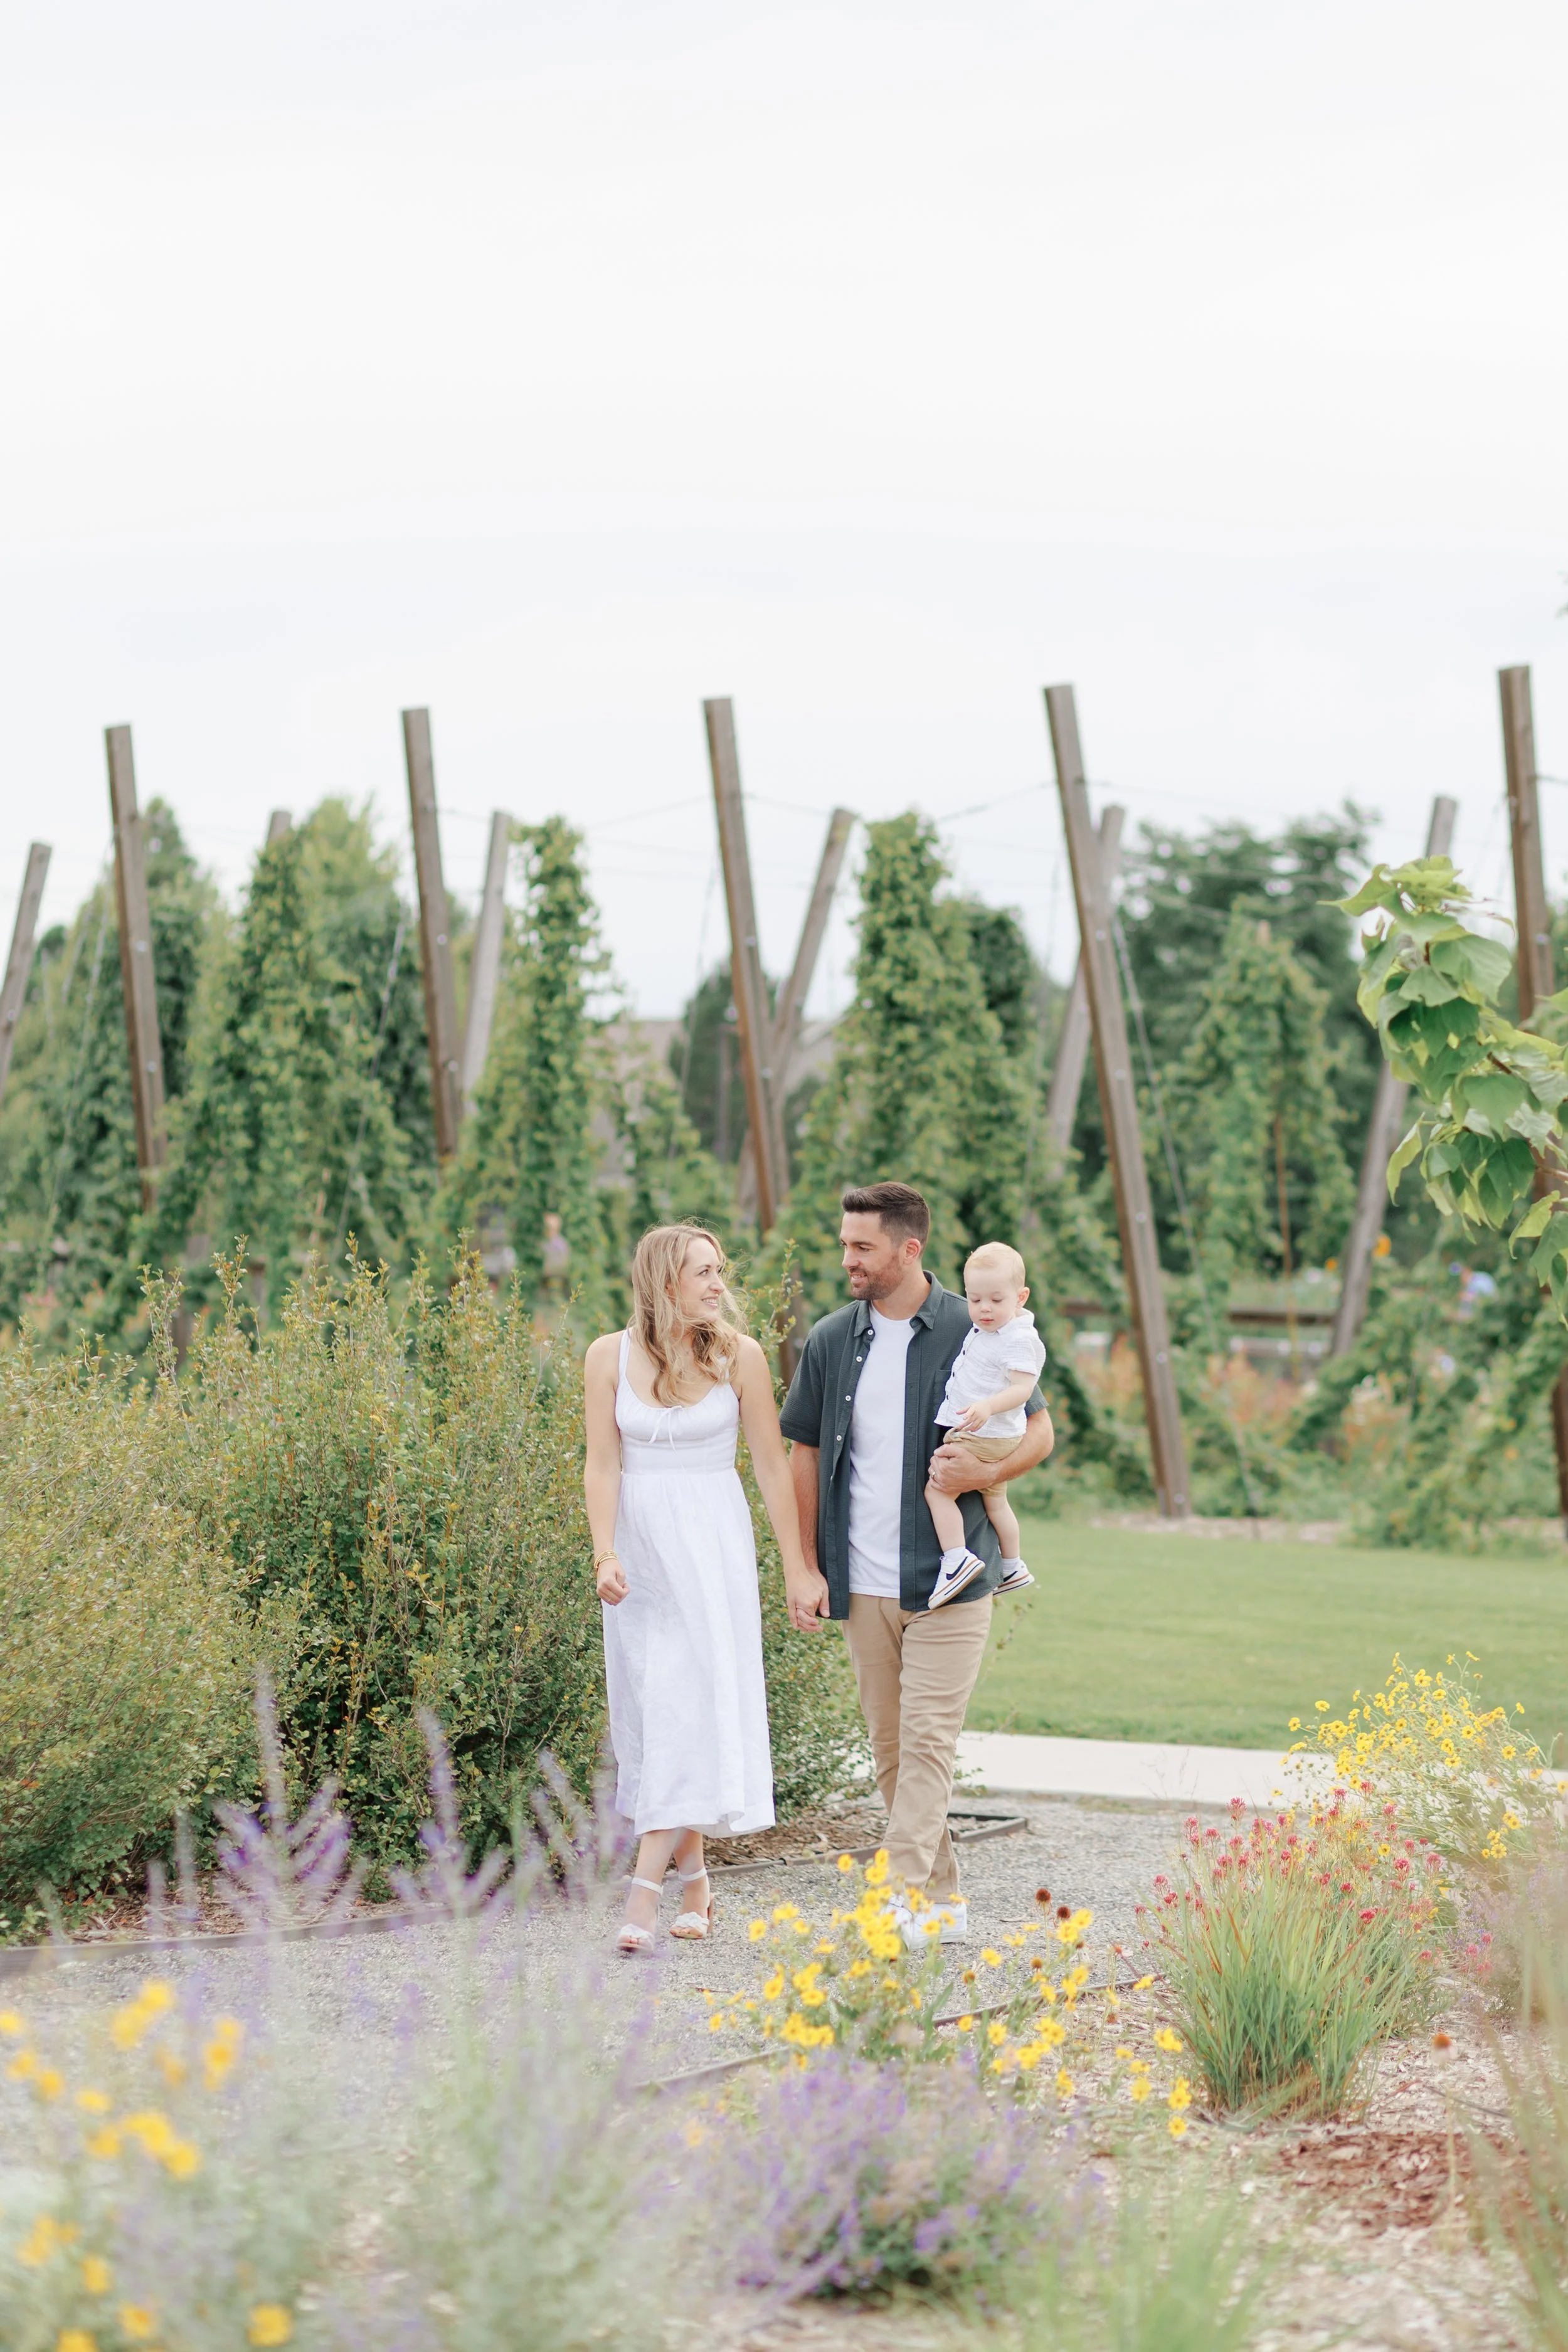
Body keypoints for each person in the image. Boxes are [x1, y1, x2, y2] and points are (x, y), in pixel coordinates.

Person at [780, 1183, 1053, 1946]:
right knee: (894, 1754)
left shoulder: (978, 1325)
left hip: (952, 1581)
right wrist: (803, 1565)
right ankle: (941, 1901)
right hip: (862, 1583)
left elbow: (1039, 1433)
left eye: (861, 1247)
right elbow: (802, 1455)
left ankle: (893, 1895)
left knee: (929, 1740)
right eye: (843, 1244)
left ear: (909, 1249)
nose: (847, 1260)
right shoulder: (833, 1339)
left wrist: (983, 1476)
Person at [583, 1224, 821, 1955]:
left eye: (720, 1272)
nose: (719, 1285)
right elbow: (601, 1465)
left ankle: (642, 1896)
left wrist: (797, 1567)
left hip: (712, 1549)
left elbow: (773, 1470)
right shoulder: (605, 1356)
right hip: (642, 1557)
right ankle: (698, 1887)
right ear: (663, 1283)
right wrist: (604, 1553)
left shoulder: (740, 1356)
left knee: (689, 1703)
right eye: (704, 1273)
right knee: (658, 1713)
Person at [924, 1241, 1046, 1604]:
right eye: (975, 1300)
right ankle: (1012, 1565)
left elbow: (1024, 1389)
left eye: (996, 1300)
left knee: (938, 1489)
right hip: (997, 1435)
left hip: (987, 1433)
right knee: (996, 1503)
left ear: (1021, 1297)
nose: (984, 1309)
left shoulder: (1020, 1338)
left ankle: (956, 1559)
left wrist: (988, 1407)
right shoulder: (993, 1330)